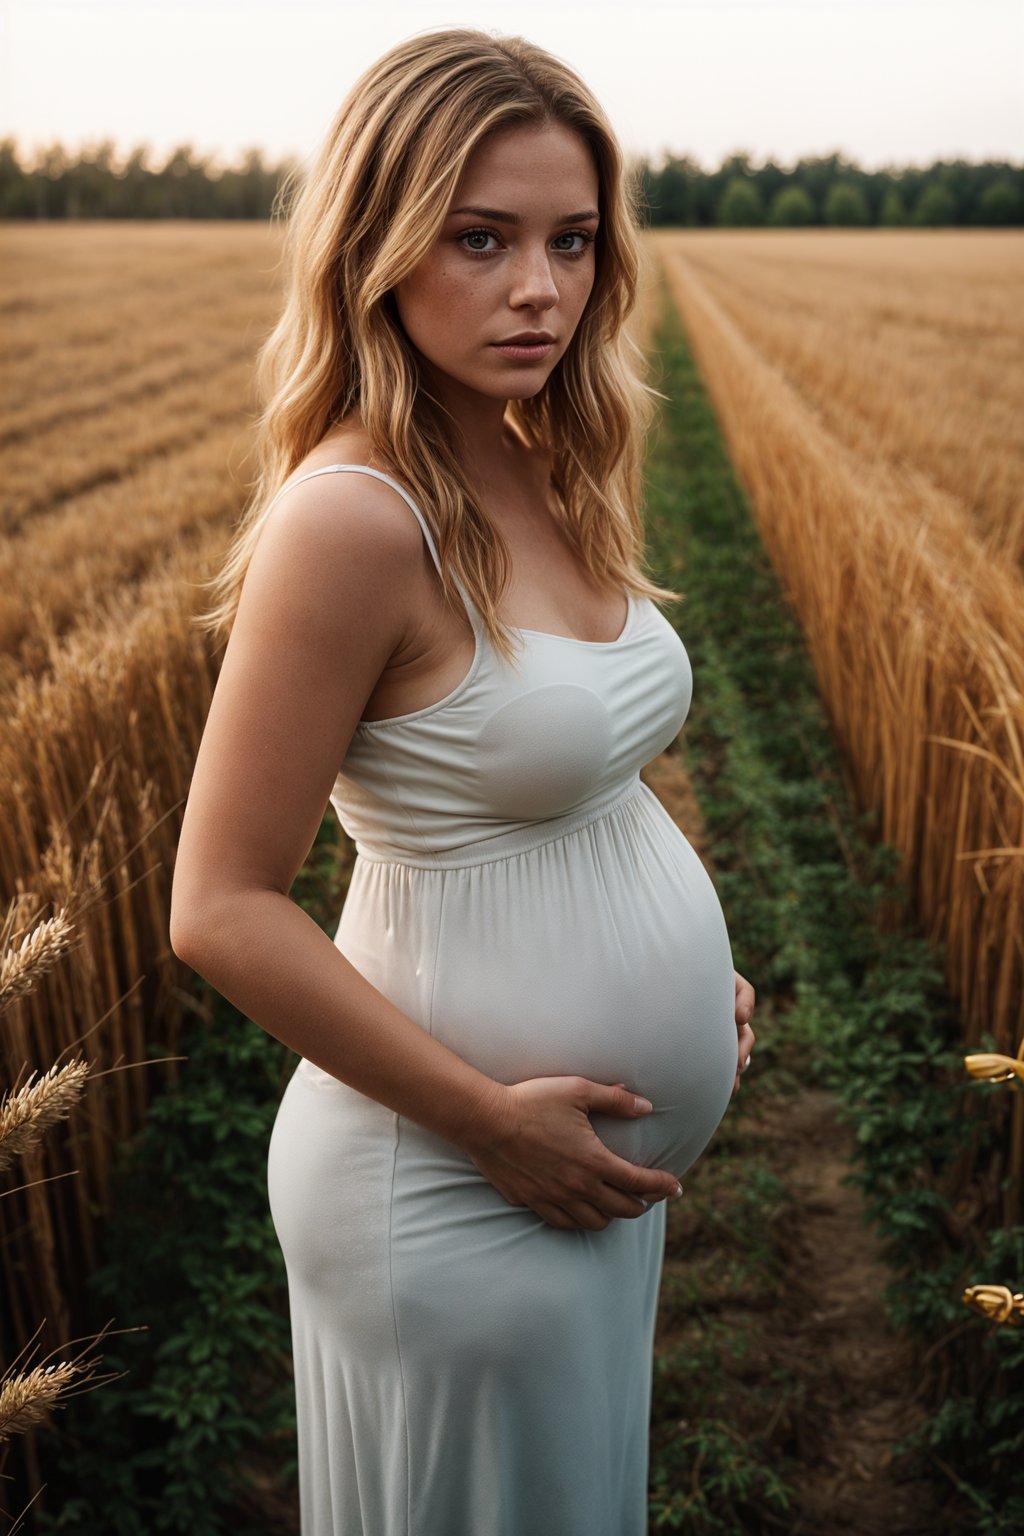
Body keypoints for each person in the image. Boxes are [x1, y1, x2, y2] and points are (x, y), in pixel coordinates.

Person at [169, 26, 756, 1536]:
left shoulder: (544, 455)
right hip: (449, 1191)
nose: (539, 289)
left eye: (571, 241)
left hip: (579, 1188)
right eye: (481, 239)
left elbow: (586, 779)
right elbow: (221, 908)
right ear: (376, 239)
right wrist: (491, 1122)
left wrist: (693, 985)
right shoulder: (354, 519)